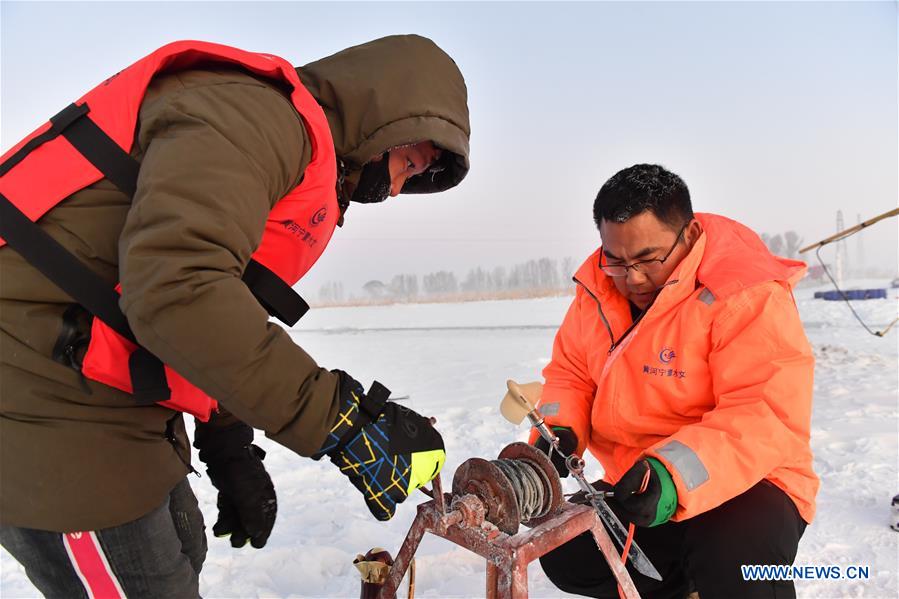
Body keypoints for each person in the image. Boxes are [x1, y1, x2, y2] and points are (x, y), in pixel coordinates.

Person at [0, 35, 469, 597]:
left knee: (185, 546)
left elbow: (217, 310)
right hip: (40, 397)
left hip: (101, 384)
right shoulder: (251, 118)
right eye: (406, 163)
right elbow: (175, 291)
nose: (394, 190)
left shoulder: (284, 146)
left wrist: (228, 443)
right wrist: (344, 423)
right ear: (387, 120)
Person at [531, 164, 817, 598]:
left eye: (648, 258)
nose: (633, 278)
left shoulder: (745, 291)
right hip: (642, 480)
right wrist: (559, 433)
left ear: (689, 234)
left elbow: (764, 411)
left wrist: (672, 474)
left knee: (737, 565)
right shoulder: (597, 291)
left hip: (750, 481)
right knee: (567, 551)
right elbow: (570, 374)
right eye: (617, 261)